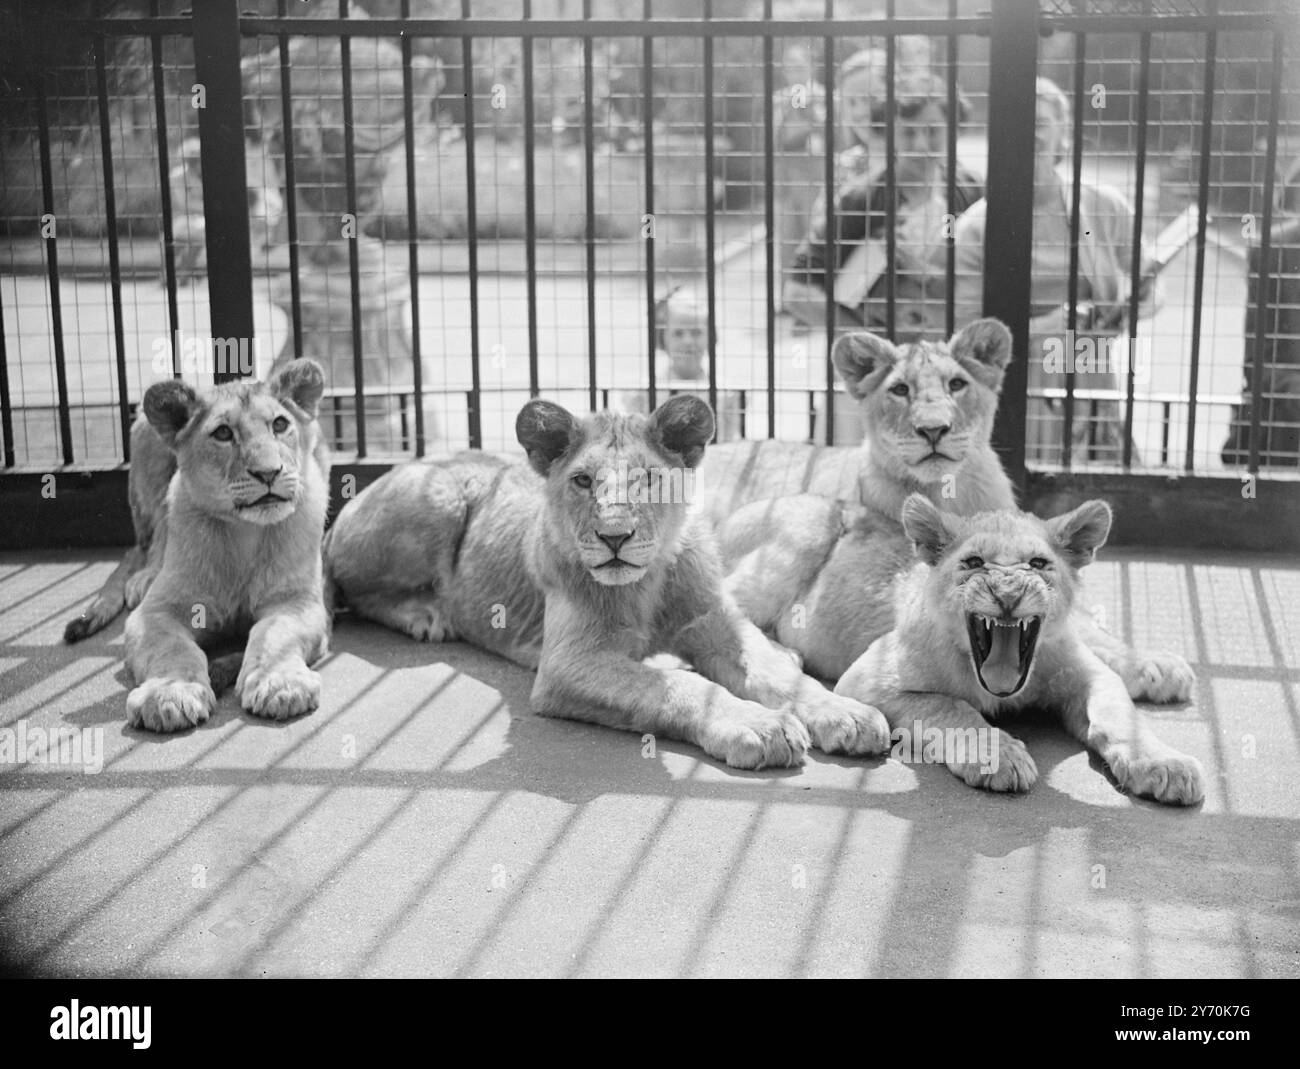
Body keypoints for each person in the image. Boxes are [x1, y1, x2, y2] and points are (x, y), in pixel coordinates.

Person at [952, 77, 1161, 466]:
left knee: (1098, 490)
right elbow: (965, 332)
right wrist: (1056, 323)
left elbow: (1151, 282)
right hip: (1019, 381)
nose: (1029, 134)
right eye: (1018, 124)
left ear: (1063, 135)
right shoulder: (975, 227)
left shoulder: (1102, 205)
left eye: (1040, 123)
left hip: (1090, 369)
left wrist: (1136, 305)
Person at [783, 45, 983, 340]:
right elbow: (797, 293)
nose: (921, 145)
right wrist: (871, 347)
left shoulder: (972, 190)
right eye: (908, 133)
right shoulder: (859, 199)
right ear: (889, 132)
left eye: (933, 131)